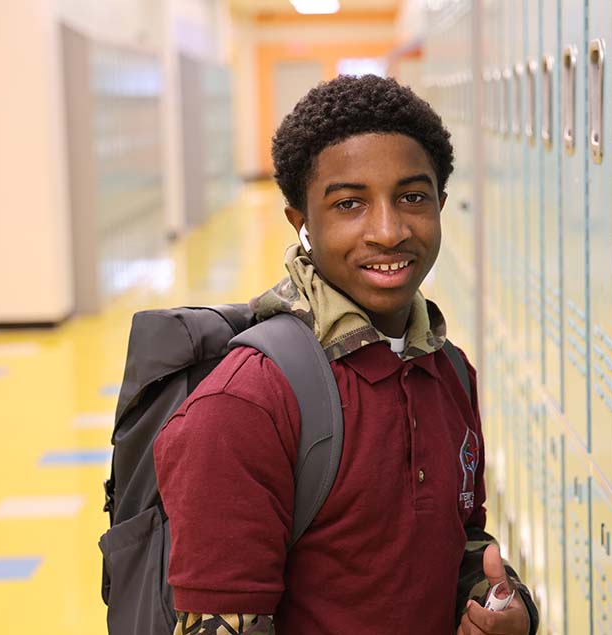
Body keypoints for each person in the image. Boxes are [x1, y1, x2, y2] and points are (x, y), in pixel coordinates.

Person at [153, 74, 538, 635]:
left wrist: (506, 607)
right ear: (301, 223)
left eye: (412, 197)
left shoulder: (447, 367)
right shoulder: (247, 403)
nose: (388, 231)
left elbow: (459, 541)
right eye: (349, 203)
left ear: (441, 204)